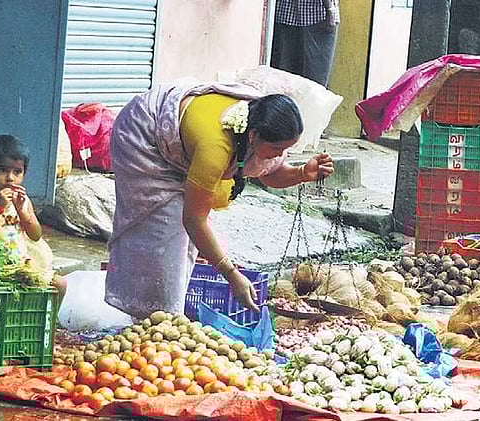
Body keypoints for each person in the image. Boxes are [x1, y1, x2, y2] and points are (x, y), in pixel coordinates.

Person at [105, 79, 334, 319]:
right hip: (144, 135)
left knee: (187, 239)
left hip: (191, 138)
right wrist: (231, 273)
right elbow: (193, 219)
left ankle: (167, 311)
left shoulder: (256, 123)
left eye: (286, 150)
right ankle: (153, 315)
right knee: (165, 227)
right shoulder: (215, 147)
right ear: (253, 136)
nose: (280, 155)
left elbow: (269, 172)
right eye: (277, 149)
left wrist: (301, 173)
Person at [0, 134, 66, 297]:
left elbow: (36, 235)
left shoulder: (23, 201)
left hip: (22, 265)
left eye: (17, 172)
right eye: (2, 170)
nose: (10, 178)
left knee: (60, 284)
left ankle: (52, 315)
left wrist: (23, 213)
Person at [271, 0, 340, 88]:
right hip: (290, 14)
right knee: (284, 81)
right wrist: (330, 9)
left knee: (313, 83)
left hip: (316, 15)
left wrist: (330, 10)